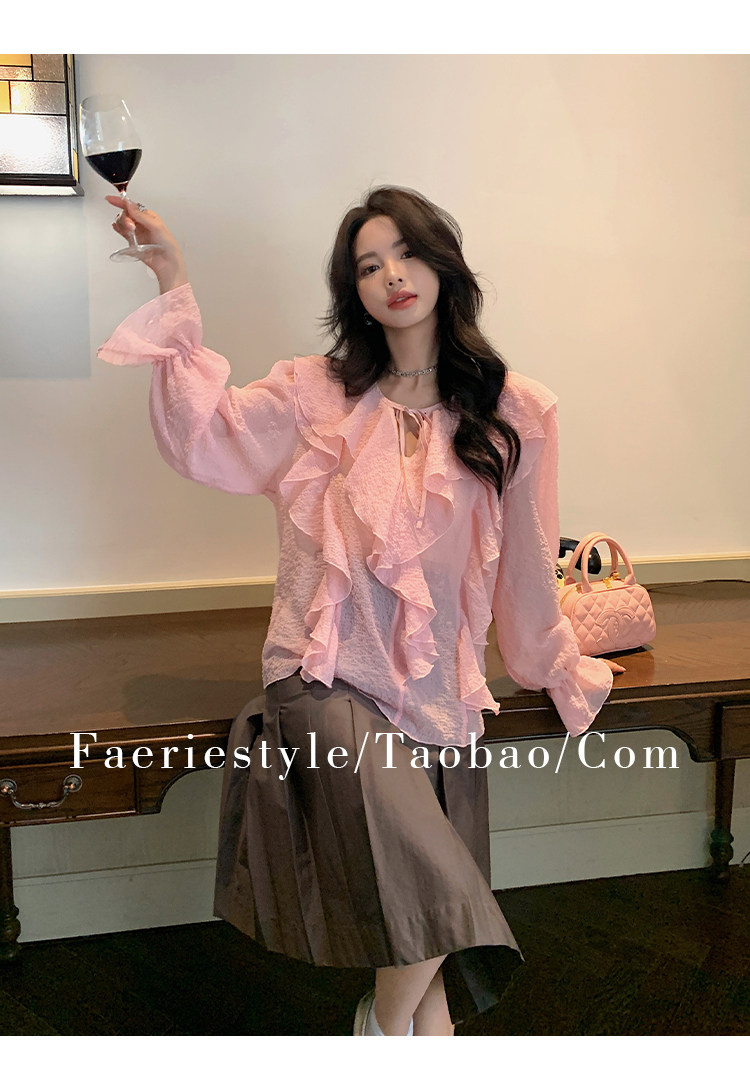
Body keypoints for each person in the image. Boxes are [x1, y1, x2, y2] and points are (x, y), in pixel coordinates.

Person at [97, 185, 625, 1036]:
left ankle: (404, 1035)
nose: (392, 276)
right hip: (324, 677)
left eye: (406, 253)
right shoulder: (313, 396)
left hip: (440, 696)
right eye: (370, 265)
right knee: (439, 887)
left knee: (428, 911)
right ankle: (377, 1030)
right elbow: (205, 434)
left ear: (444, 264)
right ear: (355, 291)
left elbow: (529, 565)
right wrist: (171, 277)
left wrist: (550, 664)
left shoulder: (516, 410)